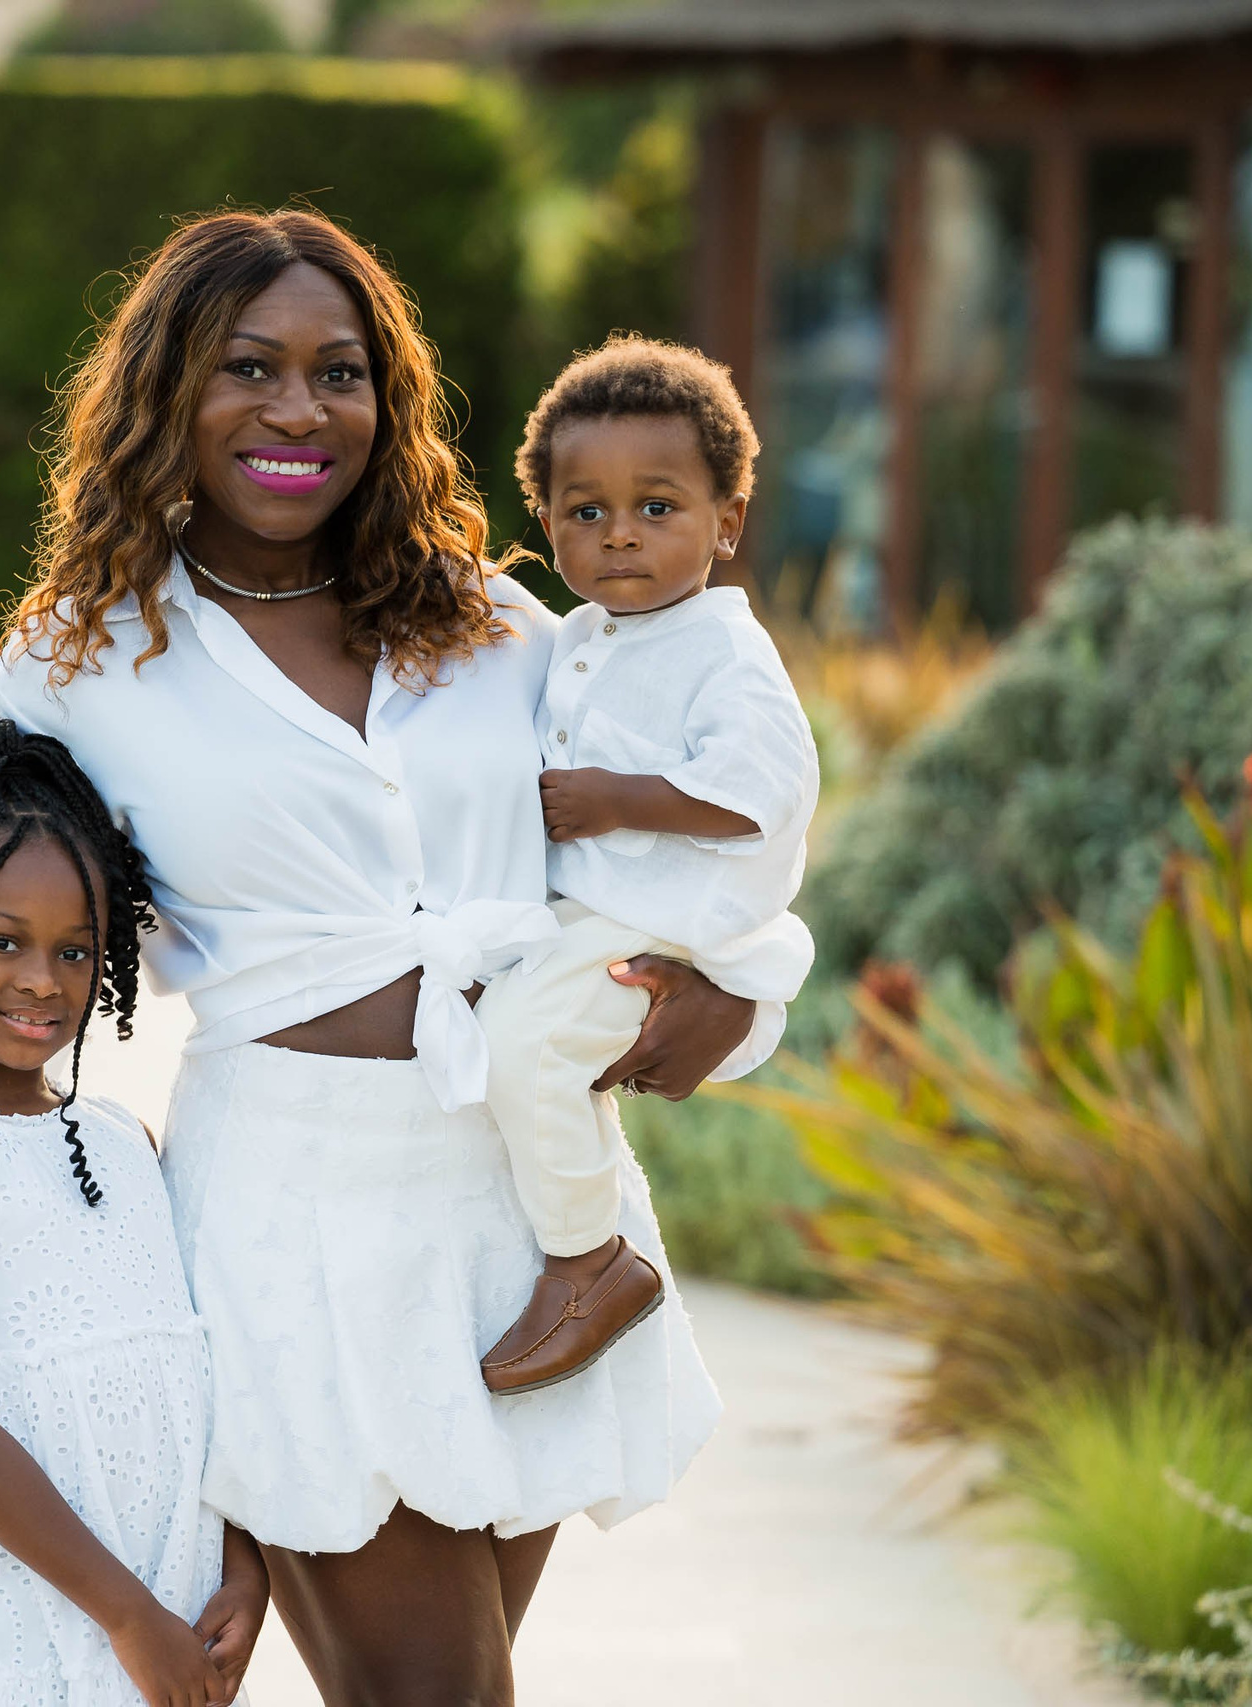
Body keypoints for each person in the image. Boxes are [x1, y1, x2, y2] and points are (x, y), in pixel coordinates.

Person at [0, 207, 782, 1704]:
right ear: (167, 393)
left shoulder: (499, 623)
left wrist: (737, 998)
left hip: (540, 1216)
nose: (297, 408)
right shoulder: (78, 661)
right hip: (300, 1222)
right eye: (248, 367)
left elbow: (688, 837)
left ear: (387, 399)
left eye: (339, 371)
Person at [0, 720, 269, 1707]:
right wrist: (126, 1619)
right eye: (2, 942)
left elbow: (199, 1383)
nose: (42, 979)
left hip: (166, 1612)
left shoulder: (127, 1146)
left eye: (75, 951)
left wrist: (247, 1566)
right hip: (7, 1634)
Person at [472, 337, 820, 1396]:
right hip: (601, 913)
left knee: (526, 1049)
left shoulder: (721, 653)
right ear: (546, 524)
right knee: (511, 1034)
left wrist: (619, 800)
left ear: (727, 521)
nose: (620, 533)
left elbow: (760, 793)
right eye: (586, 512)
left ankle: (588, 1266)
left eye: (656, 507)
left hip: (666, 924)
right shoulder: (587, 634)